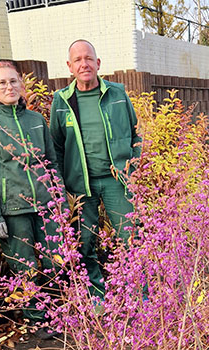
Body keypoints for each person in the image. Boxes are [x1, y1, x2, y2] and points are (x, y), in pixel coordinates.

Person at [0, 61, 60, 339]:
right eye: (2, 83)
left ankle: (59, 312)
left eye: (13, 81)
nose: (9, 87)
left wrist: (60, 201)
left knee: (55, 261)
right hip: (14, 210)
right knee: (25, 268)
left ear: (22, 85)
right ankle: (38, 322)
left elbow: (51, 162)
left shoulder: (36, 120)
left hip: (47, 207)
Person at [50, 40, 141, 299]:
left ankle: (139, 294)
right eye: (77, 60)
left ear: (98, 63)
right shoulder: (61, 101)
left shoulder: (117, 93)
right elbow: (56, 147)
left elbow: (136, 134)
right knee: (85, 242)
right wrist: (60, 186)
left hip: (117, 181)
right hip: (81, 184)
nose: (84, 63)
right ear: (69, 66)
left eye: (88, 58)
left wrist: (132, 164)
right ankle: (96, 295)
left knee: (130, 236)